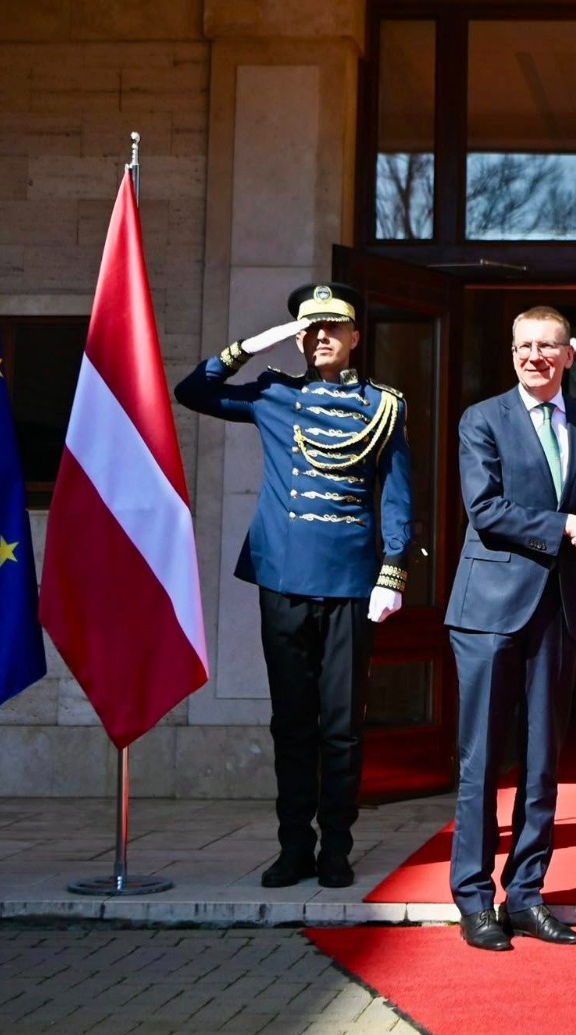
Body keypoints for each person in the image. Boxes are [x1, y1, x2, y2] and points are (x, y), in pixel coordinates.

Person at [175, 282, 412, 891]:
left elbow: (397, 493)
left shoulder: (383, 406)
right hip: (283, 575)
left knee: (342, 727)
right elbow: (193, 392)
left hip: (351, 581)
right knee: (292, 723)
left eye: (333, 327)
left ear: (355, 335)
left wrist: (392, 569)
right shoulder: (274, 393)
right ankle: (293, 847)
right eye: (310, 329)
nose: (321, 337)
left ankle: (336, 848)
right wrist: (253, 345)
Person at [445, 305, 576, 951]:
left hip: (563, 610)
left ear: (569, 354)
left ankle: (525, 896)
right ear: (511, 352)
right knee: (481, 759)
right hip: (489, 612)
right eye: (524, 346)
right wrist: (564, 526)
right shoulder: (482, 419)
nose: (534, 356)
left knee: (543, 761)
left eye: (547, 346)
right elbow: (486, 509)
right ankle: (473, 898)